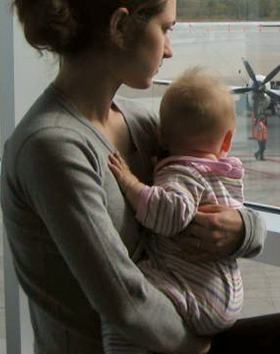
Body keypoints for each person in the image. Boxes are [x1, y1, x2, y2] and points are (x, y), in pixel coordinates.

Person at [0, 0, 280, 353]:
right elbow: (126, 303)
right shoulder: (52, 148)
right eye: (165, 29)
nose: (169, 49)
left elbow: (215, 191)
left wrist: (242, 230)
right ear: (120, 27)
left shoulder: (144, 123)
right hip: (143, 345)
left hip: (176, 332)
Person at [102, 67, 248, 353]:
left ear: (162, 136)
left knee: (122, 308)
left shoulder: (181, 172)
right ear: (227, 141)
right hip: (221, 288)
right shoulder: (222, 172)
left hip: (193, 290)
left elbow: (169, 215)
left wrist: (131, 183)